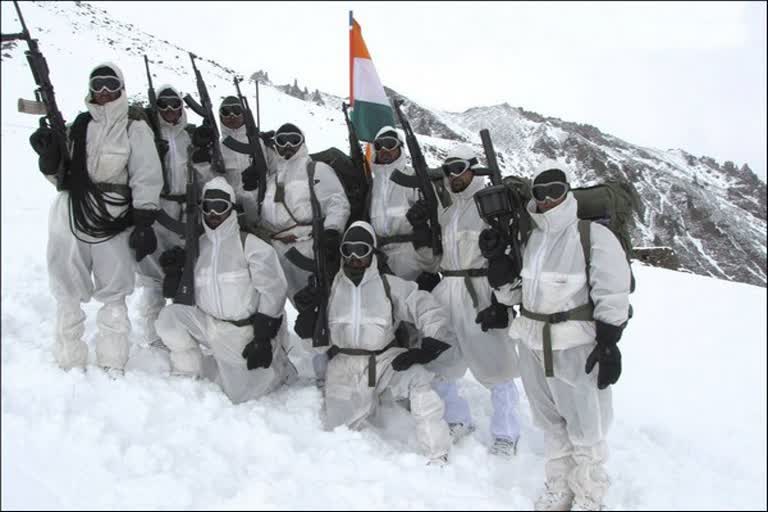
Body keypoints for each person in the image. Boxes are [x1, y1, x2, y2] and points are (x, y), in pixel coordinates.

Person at [485, 160, 631, 510]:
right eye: (541, 192)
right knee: (551, 424)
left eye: (556, 191)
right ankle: (558, 489)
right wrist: (501, 276)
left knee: (586, 428)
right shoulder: (533, 238)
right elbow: (522, 296)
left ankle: (589, 497)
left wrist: (609, 342)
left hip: (575, 347)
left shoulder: (592, 236)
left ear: (567, 192)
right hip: (533, 345)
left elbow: (613, 291)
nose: (548, 198)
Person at [29, 62, 162, 374]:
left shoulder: (134, 128)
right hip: (72, 212)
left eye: (110, 84)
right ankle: (69, 357)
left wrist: (143, 220)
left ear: (121, 88)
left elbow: (147, 175)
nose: (104, 91)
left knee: (114, 289)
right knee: (66, 286)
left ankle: (112, 360)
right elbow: (62, 177)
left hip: (113, 217)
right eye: (98, 84)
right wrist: (49, 158)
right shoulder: (79, 125)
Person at [294, 221, 456, 465]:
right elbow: (313, 344)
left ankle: (437, 453)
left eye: (361, 249)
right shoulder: (330, 289)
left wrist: (430, 343)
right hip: (344, 365)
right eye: (347, 250)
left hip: (384, 361)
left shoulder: (388, 285)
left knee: (419, 379)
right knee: (339, 436)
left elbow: (425, 307)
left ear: (372, 251)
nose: (354, 257)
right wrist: (307, 315)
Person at [408, 145, 523, 456]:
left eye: (459, 168)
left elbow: (510, 252)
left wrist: (501, 301)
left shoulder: (490, 205)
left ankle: (507, 432)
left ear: (474, 168)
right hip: (449, 288)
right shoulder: (448, 211)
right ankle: (456, 418)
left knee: (496, 363)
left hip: (480, 288)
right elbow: (439, 257)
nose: (453, 176)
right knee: (442, 358)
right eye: (448, 170)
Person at [155, 177, 297, 404]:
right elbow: (182, 293)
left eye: (220, 206)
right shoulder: (198, 245)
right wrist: (174, 273)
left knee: (240, 395)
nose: (213, 213)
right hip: (209, 325)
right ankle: (187, 371)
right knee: (169, 319)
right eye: (208, 207)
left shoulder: (249, 245)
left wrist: (263, 336)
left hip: (244, 334)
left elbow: (274, 291)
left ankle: (279, 367)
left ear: (231, 209)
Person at [135, 85, 213, 351]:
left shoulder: (189, 137)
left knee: (187, 275)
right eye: (163, 105)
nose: (169, 111)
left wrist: (203, 160)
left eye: (174, 105)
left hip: (187, 212)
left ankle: (182, 331)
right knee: (154, 278)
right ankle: (154, 334)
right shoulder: (145, 136)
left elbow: (208, 179)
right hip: (156, 211)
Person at [255, 122, 350, 302]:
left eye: (294, 140)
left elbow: (337, 202)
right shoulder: (271, 177)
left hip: (305, 247)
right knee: (279, 304)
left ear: (302, 142)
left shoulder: (316, 169)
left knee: (318, 304)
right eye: (282, 141)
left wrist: (332, 230)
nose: (288, 146)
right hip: (274, 251)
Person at [368, 126, 440, 288]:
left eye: (390, 144)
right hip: (381, 260)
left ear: (400, 147)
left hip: (414, 257)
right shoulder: (372, 186)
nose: (385, 149)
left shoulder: (415, 178)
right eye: (379, 145)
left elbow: (436, 219)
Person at [217, 95, 276, 228]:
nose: (232, 116)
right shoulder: (218, 147)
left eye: (237, 111)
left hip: (265, 208)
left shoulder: (260, 142)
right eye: (226, 112)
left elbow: (276, 172)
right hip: (232, 214)